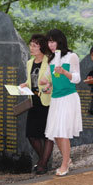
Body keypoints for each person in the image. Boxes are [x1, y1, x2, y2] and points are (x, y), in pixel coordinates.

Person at [44, 29, 82, 176]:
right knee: (56, 133)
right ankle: (68, 159)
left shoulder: (72, 57)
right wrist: (48, 86)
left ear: (60, 41)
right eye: (49, 41)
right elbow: (53, 81)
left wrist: (64, 72)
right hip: (56, 99)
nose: (51, 44)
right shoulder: (51, 60)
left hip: (68, 98)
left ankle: (65, 164)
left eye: (53, 41)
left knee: (63, 131)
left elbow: (77, 78)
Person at [19, 34, 54, 175]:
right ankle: (43, 161)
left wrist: (49, 84)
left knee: (47, 135)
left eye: (34, 45)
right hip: (34, 102)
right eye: (31, 45)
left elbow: (53, 81)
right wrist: (25, 84)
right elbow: (32, 80)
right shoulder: (29, 63)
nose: (31, 48)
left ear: (42, 47)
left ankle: (42, 164)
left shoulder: (49, 62)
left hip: (47, 102)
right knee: (32, 135)